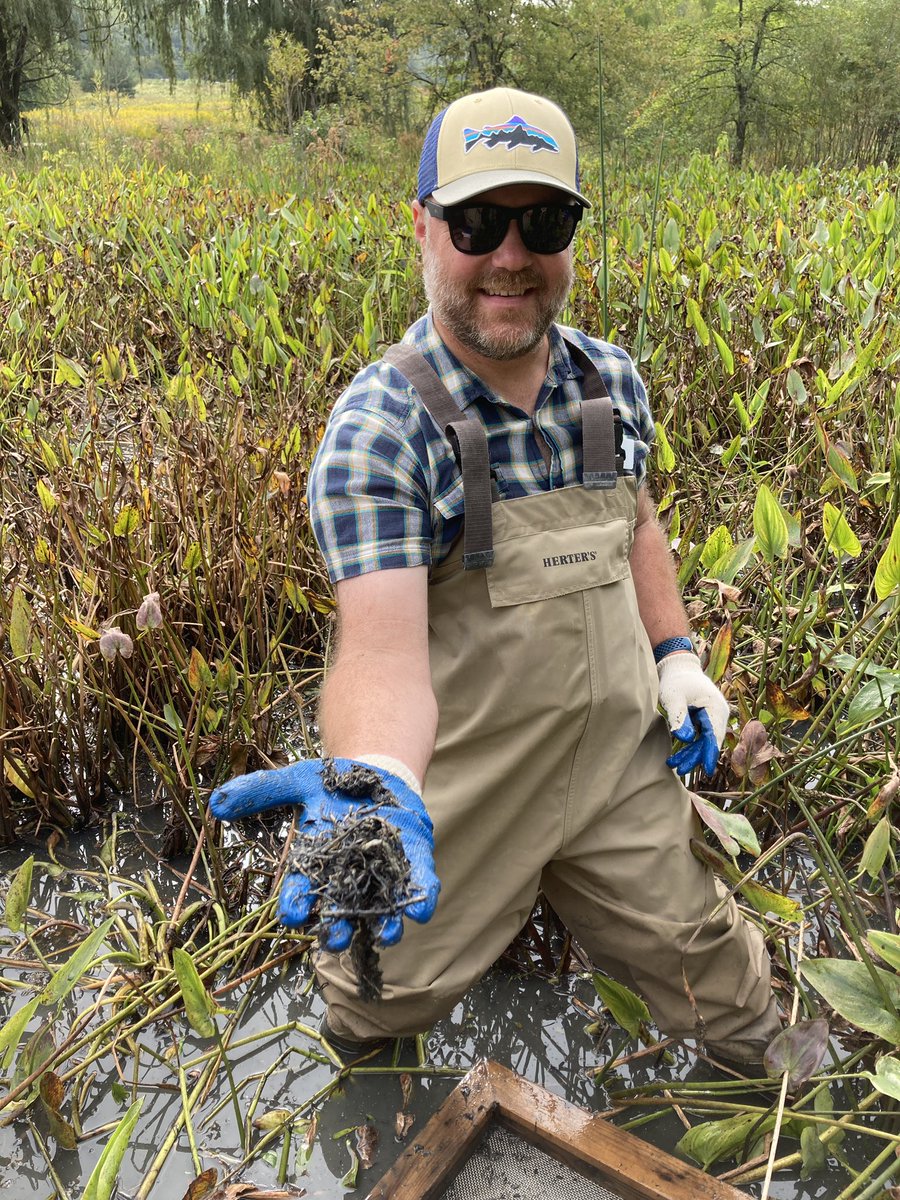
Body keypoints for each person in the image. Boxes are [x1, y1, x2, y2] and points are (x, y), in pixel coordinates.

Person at [211, 87, 780, 1065]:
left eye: (543, 220)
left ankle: (776, 1115)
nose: (510, 255)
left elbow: (635, 525)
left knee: (724, 986)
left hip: (617, 770)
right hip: (461, 796)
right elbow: (378, 653)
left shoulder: (613, 382)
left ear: (572, 232)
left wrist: (678, 655)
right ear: (423, 226)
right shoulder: (382, 427)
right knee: (382, 999)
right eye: (477, 222)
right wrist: (382, 780)